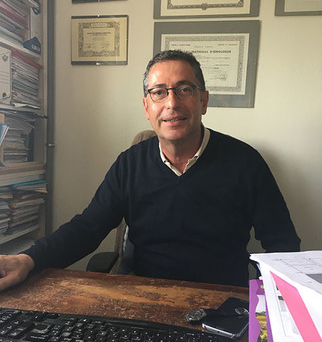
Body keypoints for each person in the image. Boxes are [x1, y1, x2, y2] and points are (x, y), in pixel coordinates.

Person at [0, 50, 300, 291]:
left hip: (221, 302)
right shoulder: (130, 164)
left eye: (184, 89)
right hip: (143, 295)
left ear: (203, 100)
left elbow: (281, 243)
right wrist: (28, 260)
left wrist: (279, 304)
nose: (172, 102)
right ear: (147, 107)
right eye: (159, 92)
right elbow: (87, 228)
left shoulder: (246, 162)